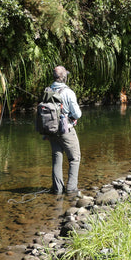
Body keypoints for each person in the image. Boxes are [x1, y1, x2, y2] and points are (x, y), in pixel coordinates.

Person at [45, 65, 82, 194]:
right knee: (74, 159)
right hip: (66, 130)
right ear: (64, 77)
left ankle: (57, 190)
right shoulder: (68, 92)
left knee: (57, 159)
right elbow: (77, 114)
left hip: (51, 131)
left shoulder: (47, 90)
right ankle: (71, 189)